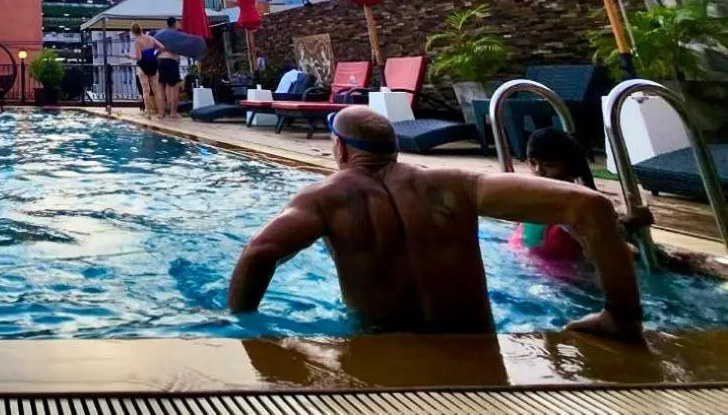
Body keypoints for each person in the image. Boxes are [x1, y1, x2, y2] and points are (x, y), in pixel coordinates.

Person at [227, 106, 643, 340]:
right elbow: (591, 206)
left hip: (386, 352)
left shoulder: (323, 199)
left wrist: (242, 324)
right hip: (476, 346)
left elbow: (260, 253)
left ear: (339, 147)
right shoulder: (458, 184)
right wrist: (620, 313)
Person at [515, 127, 652, 262]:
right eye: (532, 163)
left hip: (540, 266)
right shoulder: (537, 196)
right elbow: (601, 238)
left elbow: (596, 237)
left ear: (569, 167)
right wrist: (632, 222)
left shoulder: (572, 202)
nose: (539, 171)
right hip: (546, 266)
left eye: (549, 165)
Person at [127, 23, 161, 116]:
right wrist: (155, 54)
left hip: (142, 65)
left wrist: (130, 56)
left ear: (133, 32)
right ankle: (160, 113)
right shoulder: (151, 38)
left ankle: (148, 113)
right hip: (153, 64)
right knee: (156, 90)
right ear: (141, 29)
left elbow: (139, 57)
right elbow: (162, 47)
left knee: (146, 90)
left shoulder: (137, 41)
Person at [155, 16, 182, 119]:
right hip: (171, 61)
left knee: (161, 88)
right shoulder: (177, 34)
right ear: (174, 24)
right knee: (175, 87)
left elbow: (156, 49)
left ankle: (161, 113)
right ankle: (173, 113)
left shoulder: (161, 34)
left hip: (160, 61)